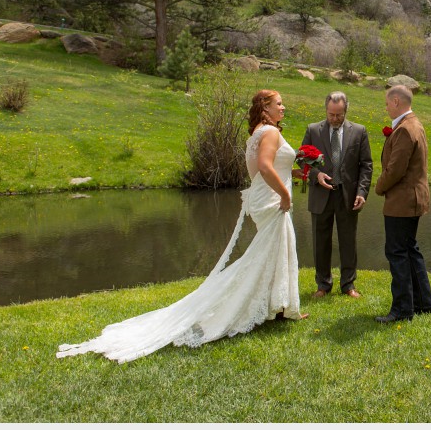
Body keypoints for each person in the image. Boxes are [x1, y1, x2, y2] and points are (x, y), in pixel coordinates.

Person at [57, 90, 308, 363]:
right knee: (270, 253)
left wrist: (297, 172)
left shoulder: (256, 134)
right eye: (279, 104)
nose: (283, 108)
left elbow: (265, 169)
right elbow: (265, 167)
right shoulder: (270, 132)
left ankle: (280, 307)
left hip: (261, 198)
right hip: (272, 199)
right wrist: (285, 193)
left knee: (273, 252)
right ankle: (267, 307)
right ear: (265, 108)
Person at [300, 91, 373, 299]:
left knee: (348, 241)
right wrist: (317, 174)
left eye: (339, 115)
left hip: (347, 195)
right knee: (320, 241)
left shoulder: (359, 132)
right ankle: (323, 285)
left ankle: (348, 285)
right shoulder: (313, 130)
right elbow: (302, 160)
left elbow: (366, 165)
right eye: (331, 114)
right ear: (326, 110)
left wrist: (362, 191)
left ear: (345, 111)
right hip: (320, 194)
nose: (334, 119)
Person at [373, 84, 431, 323]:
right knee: (410, 250)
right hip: (413, 199)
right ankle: (423, 304)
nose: (386, 106)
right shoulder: (415, 124)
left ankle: (402, 310)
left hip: (403, 201)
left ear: (396, 101)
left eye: (387, 102)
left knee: (397, 253)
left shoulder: (405, 130)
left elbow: (395, 170)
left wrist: (378, 186)